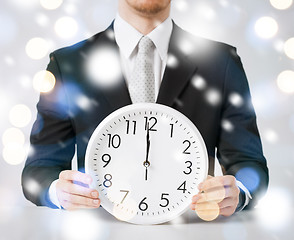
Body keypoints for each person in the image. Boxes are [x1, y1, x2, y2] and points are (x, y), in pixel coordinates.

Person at [22, 0, 268, 218]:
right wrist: (57, 191)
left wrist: (238, 193)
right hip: (102, 230)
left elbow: (249, 162)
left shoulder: (220, 62)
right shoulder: (68, 65)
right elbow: (39, 169)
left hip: (191, 230)